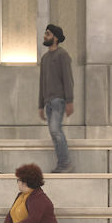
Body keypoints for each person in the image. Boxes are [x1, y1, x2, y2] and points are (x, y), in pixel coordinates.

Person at [37, 24, 75, 173]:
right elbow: (42, 82)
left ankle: (65, 163)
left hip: (59, 100)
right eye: (45, 33)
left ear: (55, 37)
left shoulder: (63, 55)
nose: (45, 36)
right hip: (48, 102)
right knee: (54, 132)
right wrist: (40, 105)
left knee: (55, 130)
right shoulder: (45, 58)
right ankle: (62, 164)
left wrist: (69, 101)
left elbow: (68, 78)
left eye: (48, 34)